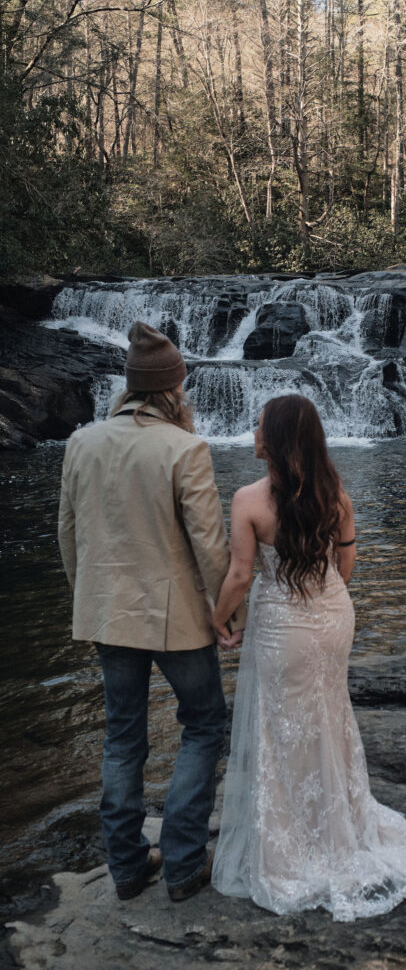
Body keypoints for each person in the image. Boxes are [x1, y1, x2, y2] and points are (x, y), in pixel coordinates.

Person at [210, 394, 406, 921]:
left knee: (282, 726)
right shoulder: (336, 495)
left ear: (275, 439)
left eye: (259, 425)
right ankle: (341, 825)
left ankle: (294, 842)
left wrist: (216, 620)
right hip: (332, 616)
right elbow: (345, 566)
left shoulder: (247, 500)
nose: (252, 432)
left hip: (282, 627)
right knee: (328, 715)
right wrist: (319, 605)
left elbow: (241, 577)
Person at [58, 321, 233, 903]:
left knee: (122, 738)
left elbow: (68, 533)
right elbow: (210, 546)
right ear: (172, 389)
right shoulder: (185, 448)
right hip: (176, 617)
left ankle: (128, 867)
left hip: (108, 613)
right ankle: (184, 863)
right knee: (205, 725)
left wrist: (88, 596)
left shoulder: (81, 442)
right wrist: (227, 611)